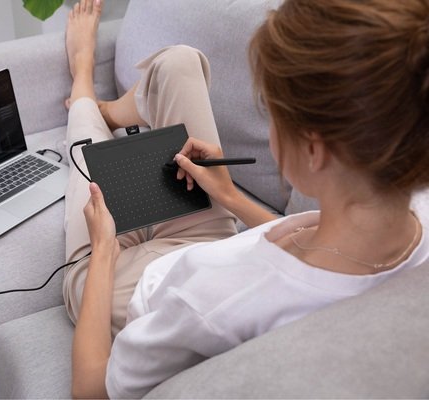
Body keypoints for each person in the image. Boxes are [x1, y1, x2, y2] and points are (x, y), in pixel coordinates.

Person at [62, 0, 429, 398]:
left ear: (314, 151)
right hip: (213, 242)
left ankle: (82, 84)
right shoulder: (414, 215)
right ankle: (107, 113)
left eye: (272, 113)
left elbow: (90, 388)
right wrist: (229, 195)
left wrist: (103, 250)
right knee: (179, 63)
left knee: (88, 158)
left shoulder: (212, 305)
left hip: (122, 282)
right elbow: (313, 251)